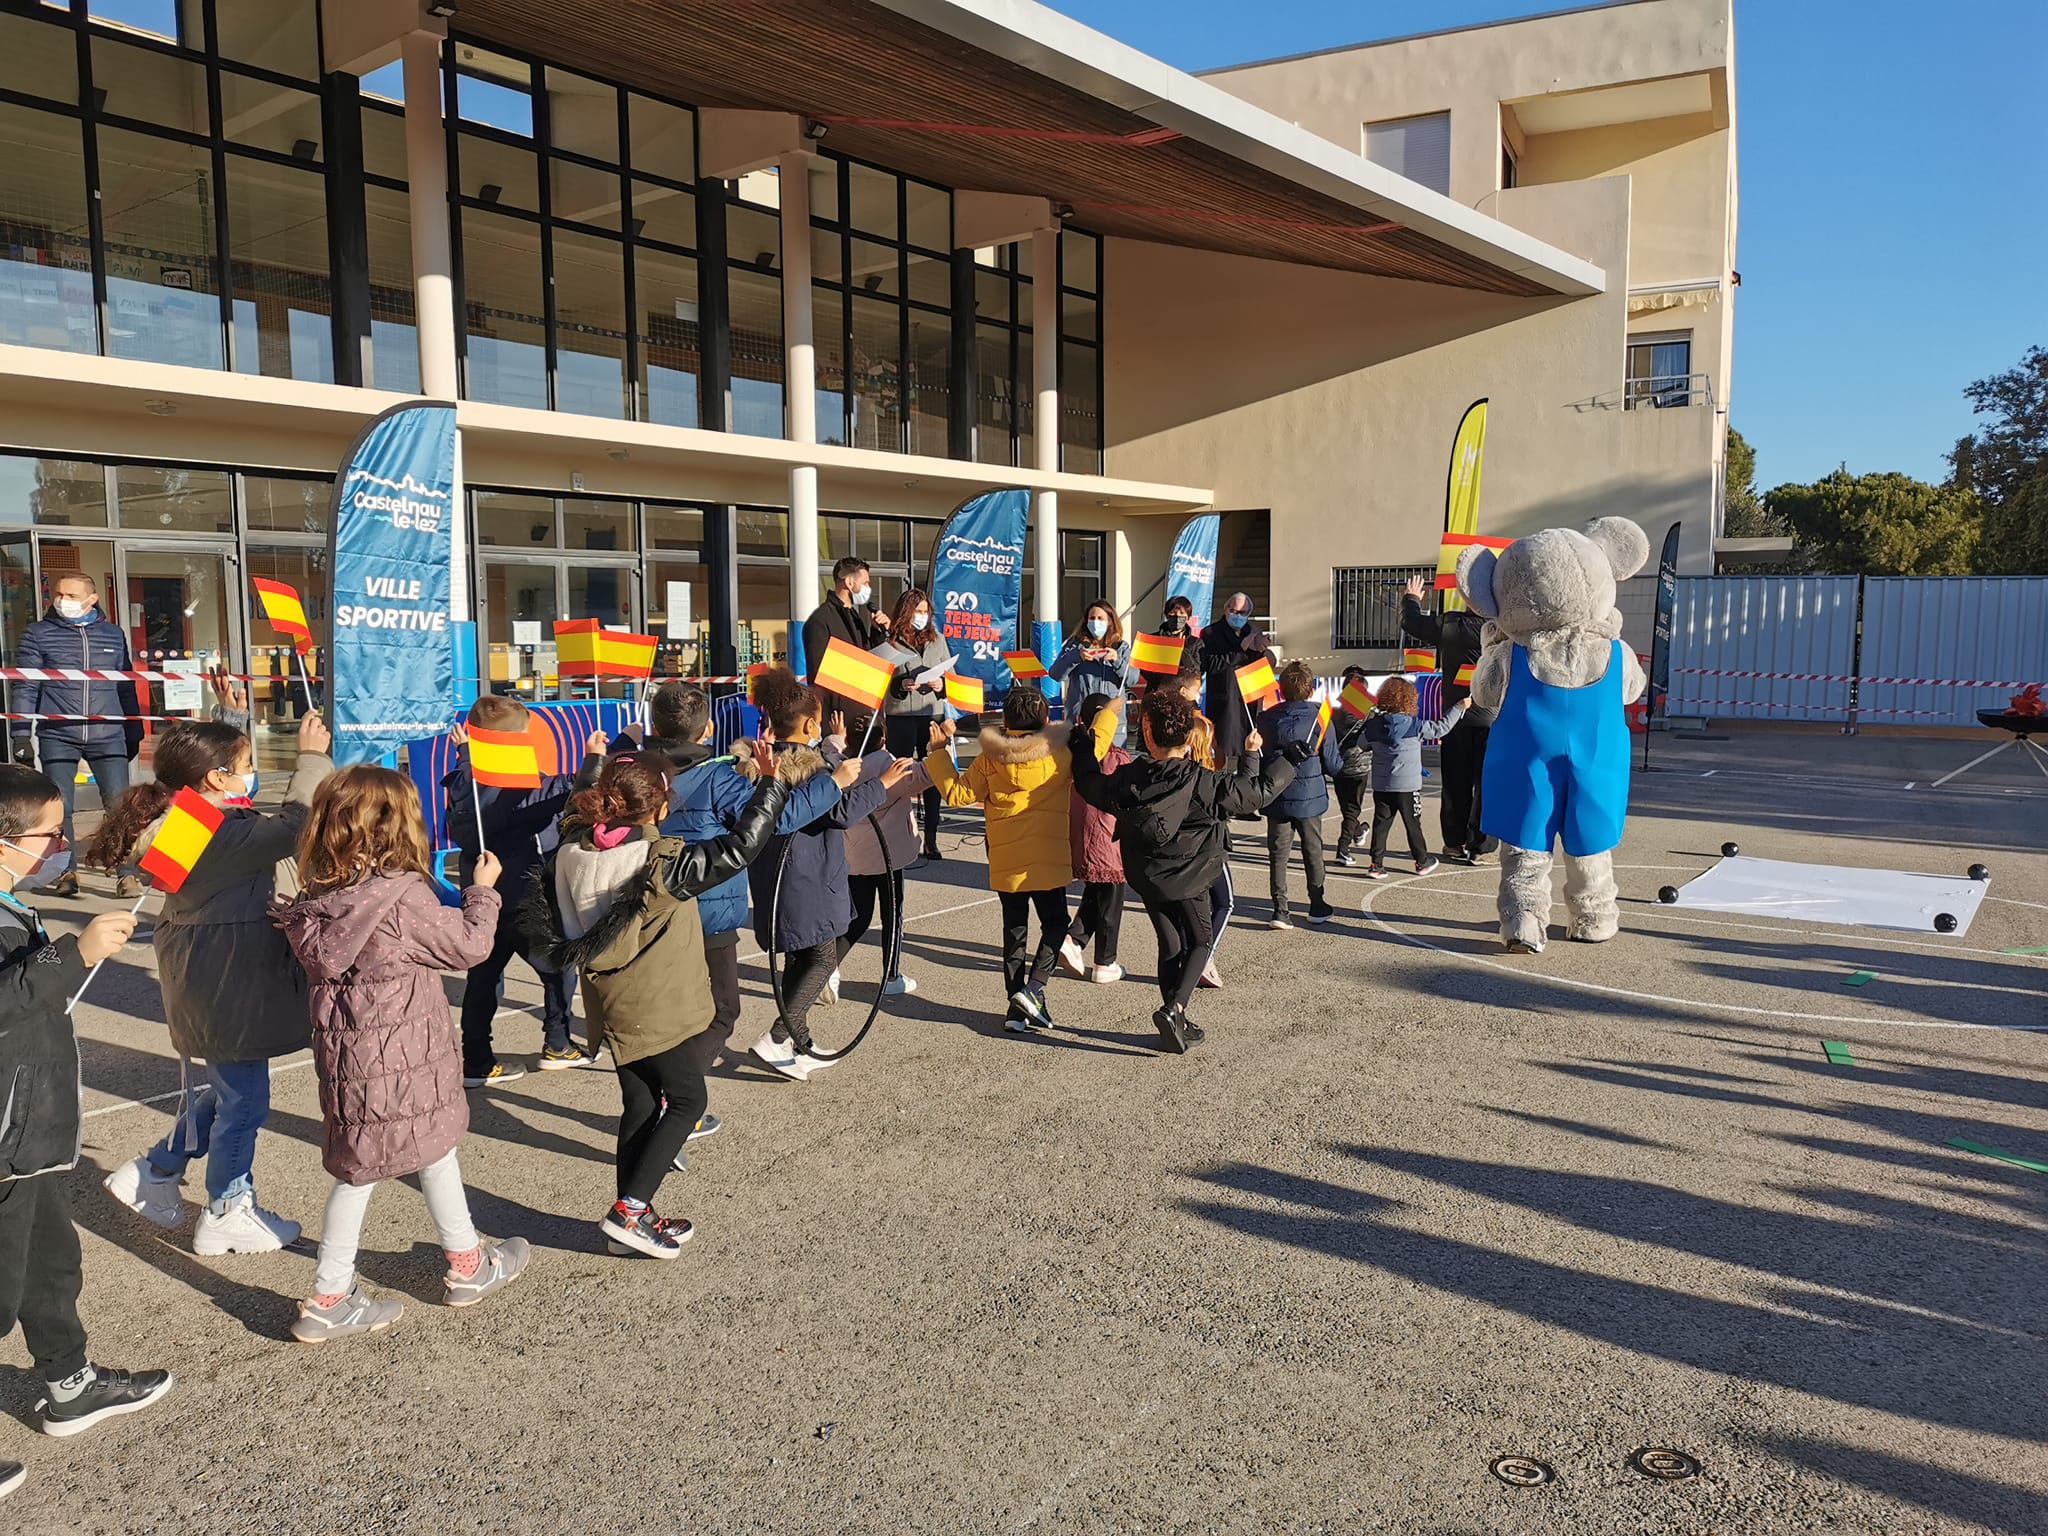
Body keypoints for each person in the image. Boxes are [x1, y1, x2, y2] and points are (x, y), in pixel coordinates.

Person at [277, 767, 530, 1341]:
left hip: (351, 1061)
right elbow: (469, 947)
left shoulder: (322, 896)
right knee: (428, 1150)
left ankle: (366, 1283)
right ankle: (362, 1287)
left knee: (363, 1167)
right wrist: (484, 891)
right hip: (407, 1054)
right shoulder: (401, 898)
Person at [93, 686, 332, 1254]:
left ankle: (157, 1167)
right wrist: (310, 759)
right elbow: (295, 823)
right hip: (226, 981)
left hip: (214, 976)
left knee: (230, 1091)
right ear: (218, 779)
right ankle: (227, 1207)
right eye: (248, 767)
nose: (253, 777)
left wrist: (228, 719)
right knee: (245, 1101)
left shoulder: (192, 818)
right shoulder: (218, 832)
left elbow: (220, 782)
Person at [527, 747, 787, 1259]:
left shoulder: (572, 849)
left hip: (610, 1000)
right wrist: (770, 785)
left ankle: (633, 1215)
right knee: (689, 1101)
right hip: (657, 1005)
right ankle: (629, 1209)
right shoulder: (660, 866)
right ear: (659, 808)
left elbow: (568, 815)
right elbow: (740, 847)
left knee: (641, 1103)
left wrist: (596, 761)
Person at [0, 764, 170, 1475]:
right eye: (50, 833)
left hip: (30, 1129)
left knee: (48, 1265)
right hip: (7, 1132)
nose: (61, 844)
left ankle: (70, 1385)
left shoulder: (10, 903)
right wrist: (73, 954)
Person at [629, 682, 851, 1092]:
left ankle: (656, 1091)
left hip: (645, 905)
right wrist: (834, 780)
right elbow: (777, 820)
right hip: (706, 910)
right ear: (708, 729)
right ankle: (677, 1101)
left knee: (666, 1012)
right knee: (722, 1010)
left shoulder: (633, 768)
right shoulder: (718, 777)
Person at [1072, 691, 1299, 1053]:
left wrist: (1082, 746)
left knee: (1170, 942)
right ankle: (1174, 1008)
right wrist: (1285, 759)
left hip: (1147, 875)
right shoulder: (1202, 780)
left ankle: (1174, 1016)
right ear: (1187, 735)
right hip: (1191, 874)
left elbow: (1088, 783)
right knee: (1199, 941)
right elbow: (1254, 794)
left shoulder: (1129, 777)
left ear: (1147, 734)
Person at [745, 668, 905, 1079]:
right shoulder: (812, 769)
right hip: (806, 875)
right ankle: (778, 1037)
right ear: (811, 724)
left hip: (782, 875)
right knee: (821, 957)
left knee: (801, 954)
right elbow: (841, 812)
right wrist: (881, 783)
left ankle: (799, 1039)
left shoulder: (762, 763)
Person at [444, 694, 606, 1086]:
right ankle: (557, 1042)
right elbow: (575, 790)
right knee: (556, 968)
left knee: (483, 978)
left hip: (481, 891)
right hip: (526, 891)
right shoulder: (525, 786)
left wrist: (466, 755)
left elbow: (474, 788)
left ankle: (477, 1059)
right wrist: (596, 758)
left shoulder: (463, 779)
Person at [924, 686, 1075, 1032]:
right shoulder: (1060, 754)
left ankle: (1015, 1006)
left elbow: (958, 794)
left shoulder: (991, 758)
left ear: (1005, 720)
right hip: (1048, 856)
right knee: (1055, 924)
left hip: (1007, 857)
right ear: (1045, 718)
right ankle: (1035, 989)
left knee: (1015, 931)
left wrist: (938, 753)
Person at [9, 573, 144, 899]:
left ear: (91, 599)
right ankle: (66, 871)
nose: (60, 600)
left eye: (70, 594)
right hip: (59, 734)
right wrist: (21, 734)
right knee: (61, 808)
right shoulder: (38, 634)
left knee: (118, 806)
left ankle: (125, 873)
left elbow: (124, 682)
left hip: (108, 731)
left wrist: (133, 724)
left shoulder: (113, 634)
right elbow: (26, 685)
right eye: (58, 593)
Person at [1401, 574, 1497, 864]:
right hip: (1491, 719)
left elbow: (1412, 623)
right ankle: (1479, 845)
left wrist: (1412, 599)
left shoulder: (1452, 625)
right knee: (1486, 784)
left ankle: (1453, 842)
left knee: (1455, 783)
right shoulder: (1502, 629)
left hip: (1455, 717)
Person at [1257, 660, 1343, 928]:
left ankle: (1280, 909)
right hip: (1310, 795)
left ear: (1281, 690)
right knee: (1313, 851)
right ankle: (1316, 903)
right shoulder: (1321, 719)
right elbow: (1332, 764)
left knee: (1278, 854)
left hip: (1277, 792)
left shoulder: (1266, 718)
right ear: (1311, 688)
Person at [1359, 676, 1467, 879]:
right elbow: (1441, 728)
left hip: (1382, 785)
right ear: (1409, 699)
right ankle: (1422, 860)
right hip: (1408, 785)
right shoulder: (1414, 725)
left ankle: (1376, 864)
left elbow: (1361, 744)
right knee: (1412, 824)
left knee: (1381, 825)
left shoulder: (1374, 726)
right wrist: (1459, 707)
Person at [842, 747, 929, 997]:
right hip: (888, 853)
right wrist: (937, 748)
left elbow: (830, 748)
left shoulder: (841, 763)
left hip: (856, 853)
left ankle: (827, 968)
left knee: (858, 917)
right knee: (892, 915)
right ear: (882, 739)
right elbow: (924, 776)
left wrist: (836, 737)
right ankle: (891, 974)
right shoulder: (887, 766)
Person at [1169, 658, 1233, 990]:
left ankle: (1190, 958)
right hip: (1205, 848)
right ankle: (1203, 957)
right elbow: (1245, 795)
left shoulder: (1172, 770)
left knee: (1184, 910)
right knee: (1225, 900)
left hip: (1177, 851)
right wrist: (1250, 757)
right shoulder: (1209, 779)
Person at [874, 588, 951, 860]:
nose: (922, 616)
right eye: (917, 611)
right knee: (900, 773)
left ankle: (931, 838)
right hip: (900, 717)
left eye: (925, 611)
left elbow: (950, 677)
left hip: (932, 713)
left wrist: (941, 684)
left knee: (933, 773)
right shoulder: (891, 643)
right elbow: (880, 681)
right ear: (906, 613)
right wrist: (899, 684)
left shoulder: (938, 640)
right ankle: (897, 835)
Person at [1057, 692, 1129, 984]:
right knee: (1111, 897)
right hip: (1108, 834)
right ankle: (1105, 961)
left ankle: (1074, 939)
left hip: (1079, 832)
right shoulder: (1117, 758)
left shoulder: (1067, 754)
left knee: (1098, 890)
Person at [801, 557, 890, 748]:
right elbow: (819, 673)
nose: (868, 588)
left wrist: (877, 631)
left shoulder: (855, 617)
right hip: (840, 719)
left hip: (865, 713)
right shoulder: (820, 620)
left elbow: (869, 656)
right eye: (865, 583)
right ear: (849, 582)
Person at [1196, 591, 1273, 769]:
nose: (1238, 616)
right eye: (1234, 611)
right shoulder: (1210, 633)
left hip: (1250, 700)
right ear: (1226, 610)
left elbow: (1266, 663)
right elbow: (1210, 664)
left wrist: (1262, 650)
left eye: (1243, 613)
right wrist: (1239, 650)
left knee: (1250, 752)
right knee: (1225, 755)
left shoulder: (1254, 631)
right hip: (1225, 701)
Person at [1048, 602, 1140, 748]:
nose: (1095, 622)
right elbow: (1055, 673)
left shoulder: (1121, 647)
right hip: (1080, 722)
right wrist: (1076, 657)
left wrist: (1117, 661)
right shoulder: (1076, 645)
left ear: (1110, 621)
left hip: (1112, 724)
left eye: (1100, 618)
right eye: (1092, 618)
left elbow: (1133, 678)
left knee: (1112, 766)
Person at [1331, 666, 1374, 867]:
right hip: (1358, 766)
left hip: (1338, 764)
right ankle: (1343, 848)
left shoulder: (1334, 712)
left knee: (1347, 807)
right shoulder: (1367, 714)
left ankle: (1357, 830)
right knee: (1352, 809)